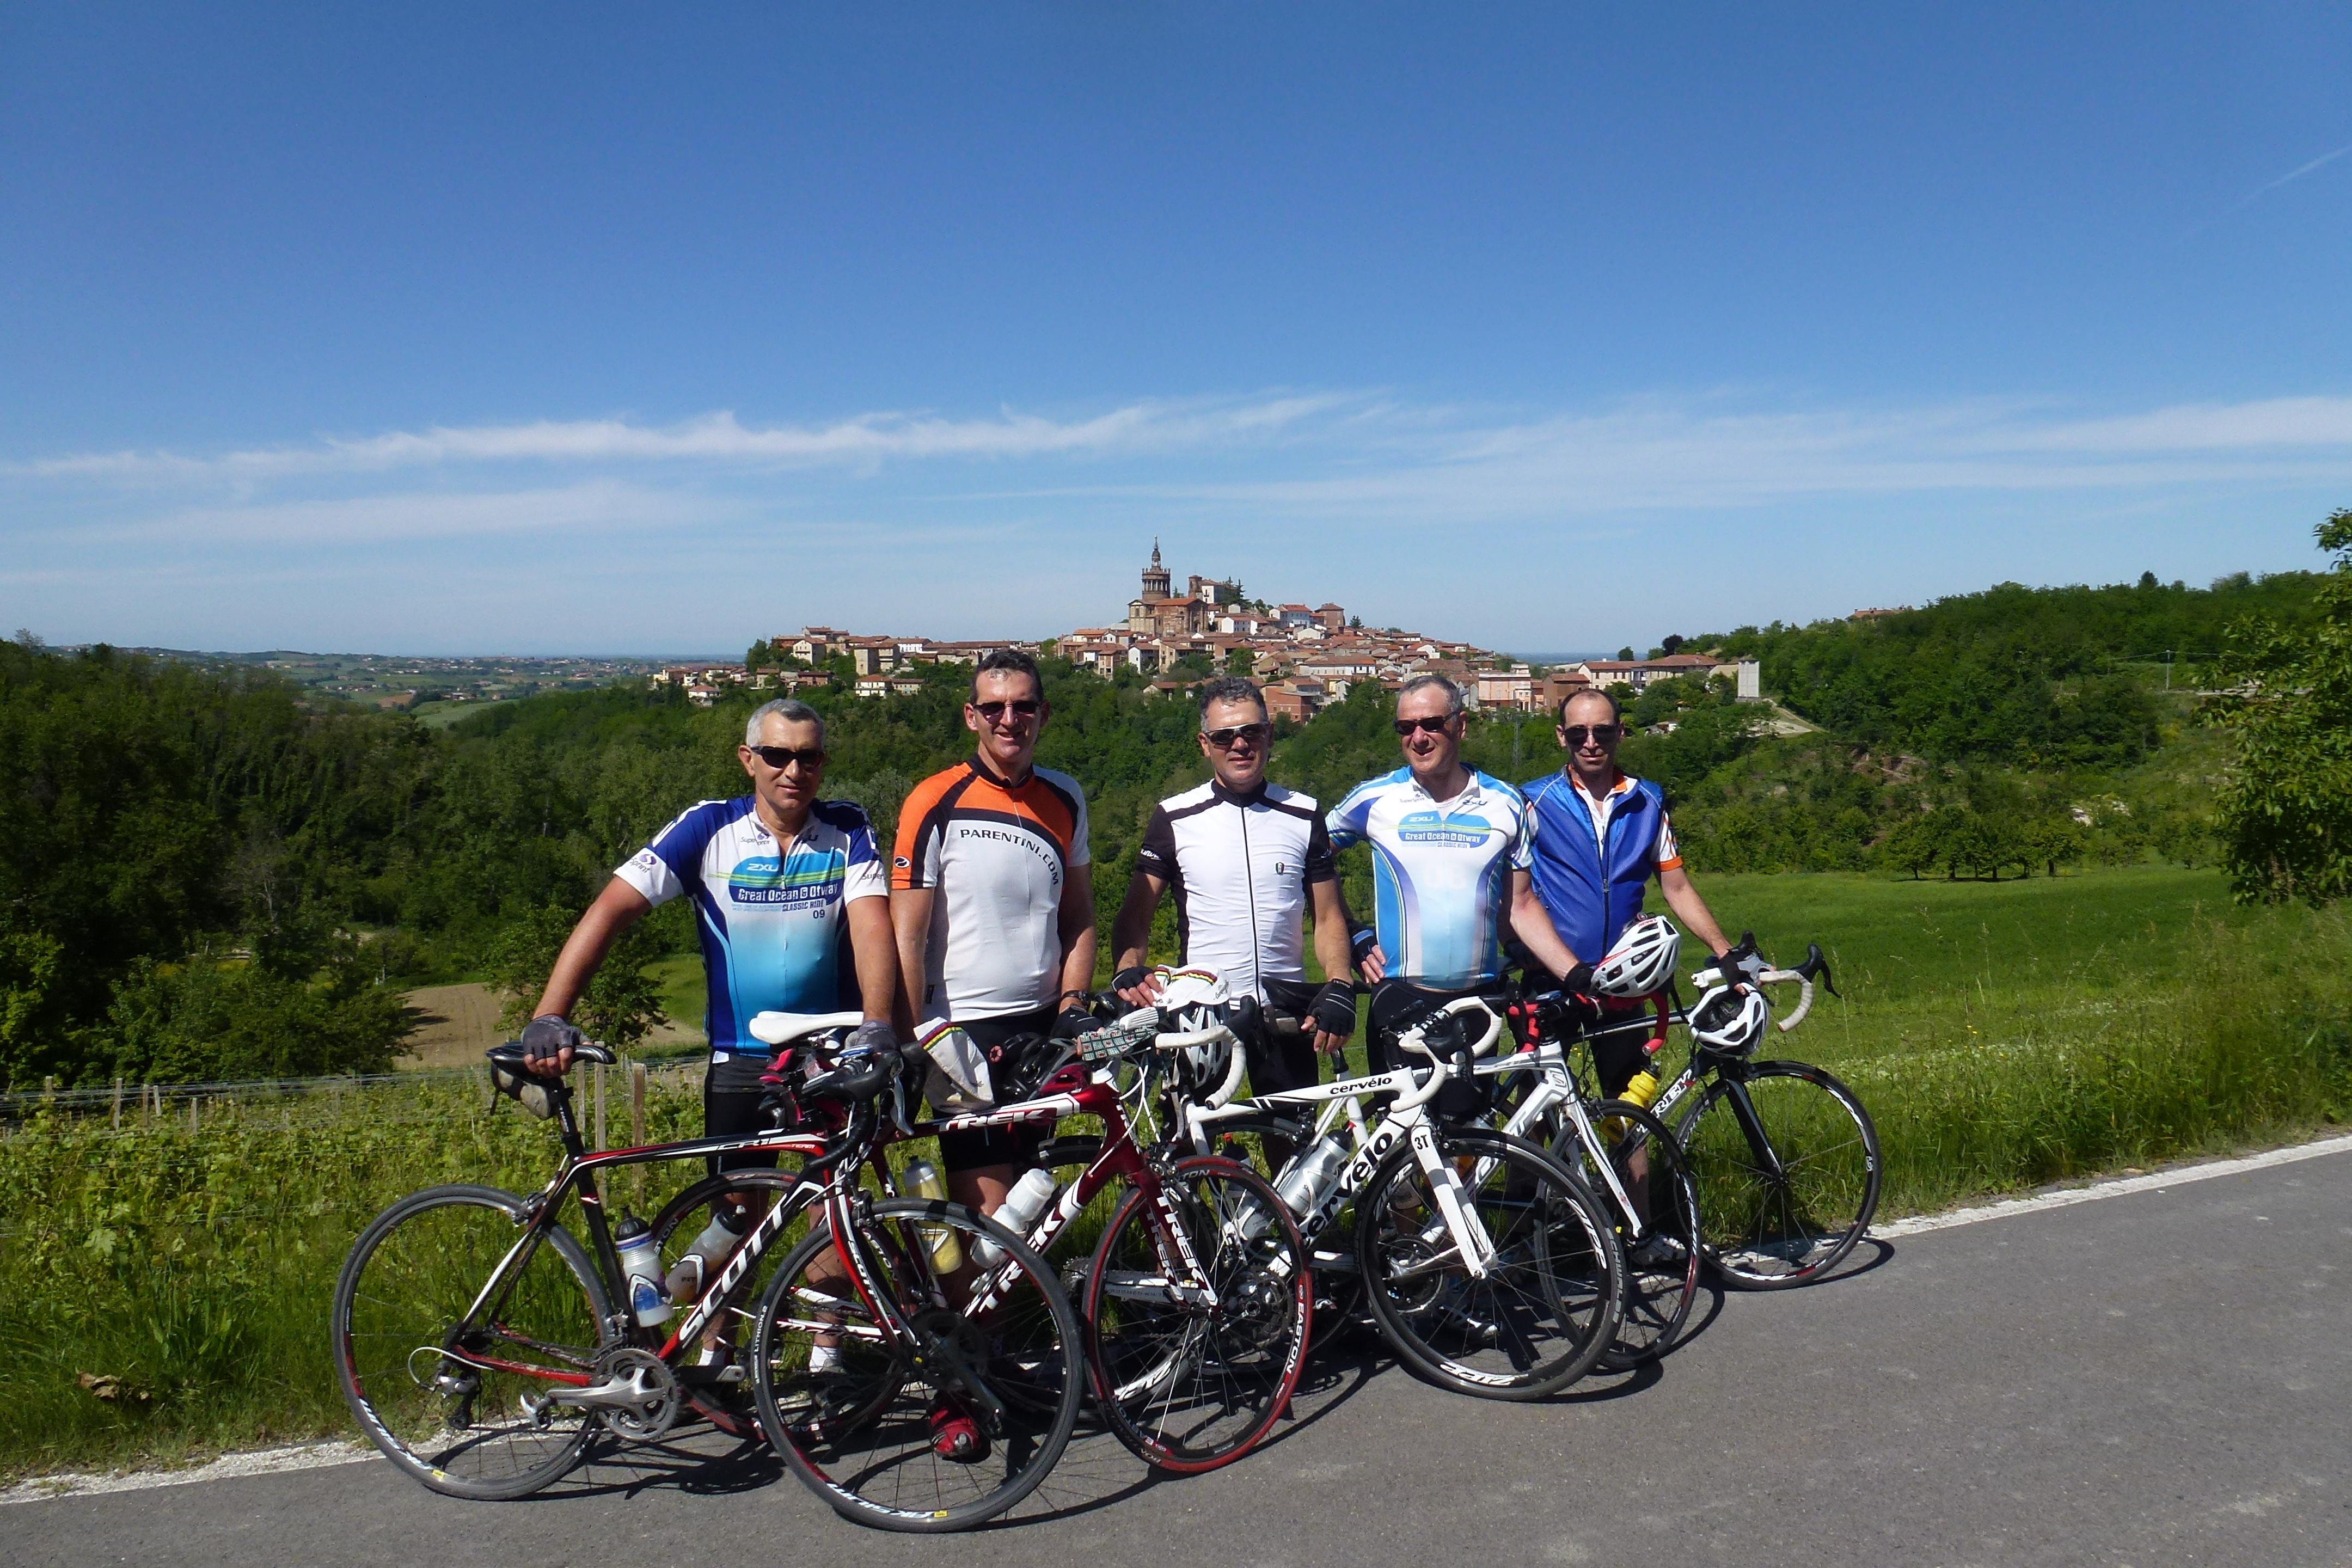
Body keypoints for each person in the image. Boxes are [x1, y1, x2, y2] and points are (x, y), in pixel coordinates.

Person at [518, 696, 898, 1329]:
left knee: (831, 1213)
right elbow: (611, 909)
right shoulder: (707, 828)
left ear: (824, 764)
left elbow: (872, 930)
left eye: (808, 757)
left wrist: (877, 1024)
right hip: (740, 1060)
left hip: (828, 1055)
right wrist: (550, 1012)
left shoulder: (847, 828)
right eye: (776, 755)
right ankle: (712, 1356)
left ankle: (830, 1359)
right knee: (735, 1219)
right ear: (748, 760)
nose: (792, 770)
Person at [1108, 677, 1362, 1164]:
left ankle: (1288, 1242)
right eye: (1225, 736)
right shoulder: (1174, 817)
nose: (1240, 744)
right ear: (1206, 745)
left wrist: (1339, 984)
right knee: (1194, 1160)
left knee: (1294, 1161)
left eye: (1252, 732)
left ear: (1270, 735)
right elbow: (1134, 916)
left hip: (1285, 1013)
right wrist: (1127, 968)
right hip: (1203, 1014)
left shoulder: (1304, 812)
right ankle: (1206, 1244)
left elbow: (1328, 916)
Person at [891, 648, 1097, 1220]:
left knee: (1034, 1217)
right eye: (995, 707)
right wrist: (911, 1045)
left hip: (1044, 1031)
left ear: (1044, 713)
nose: (1010, 719)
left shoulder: (1066, 797)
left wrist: (1073, 1006)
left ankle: (1043, 1313)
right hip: (962, 1035)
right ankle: (963, 1314)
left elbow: (1078, 918)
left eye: (1024, 706)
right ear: (971, 716)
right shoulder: (933, 801)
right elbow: (904, 938)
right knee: (987, 1230)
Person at [1326, 675, 1585, 1099]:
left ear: (1460, 725)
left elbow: (1521, 905)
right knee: (1405, 1150)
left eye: (1432, 724)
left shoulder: (1507, 803)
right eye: (1406, 728)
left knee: (1471, 1145)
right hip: (1399, 997)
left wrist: (1573, 973)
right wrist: (1353, 935)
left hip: (1478, 1001)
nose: (1419, 737)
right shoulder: (1373, 799)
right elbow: (1311, 863)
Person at [1518, 685, 1748, 1104]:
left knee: (1628, 1110)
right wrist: (1514, 948)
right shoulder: (1533, 801)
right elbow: (1508, 894)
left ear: (1620, 734)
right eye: (1578, 734)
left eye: (1602, 733)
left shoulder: (1648, 801)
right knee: (1536, 1118)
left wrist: (1723, 950)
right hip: (1551, 977)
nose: (1590, 743)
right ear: (1561, 736)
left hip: (1624, 979)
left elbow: (1676, 885)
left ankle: (1632, 1174)